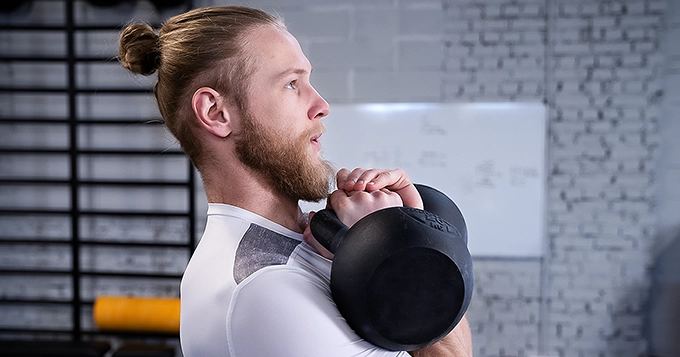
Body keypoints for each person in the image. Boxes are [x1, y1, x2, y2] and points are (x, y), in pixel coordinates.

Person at [118, 5, 472, 357]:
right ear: (216, 113)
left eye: (308, 81)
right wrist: (405, 253)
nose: (321, 104)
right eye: (291, 83)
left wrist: (402, 232)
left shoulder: (304, 248)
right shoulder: (265, 287)